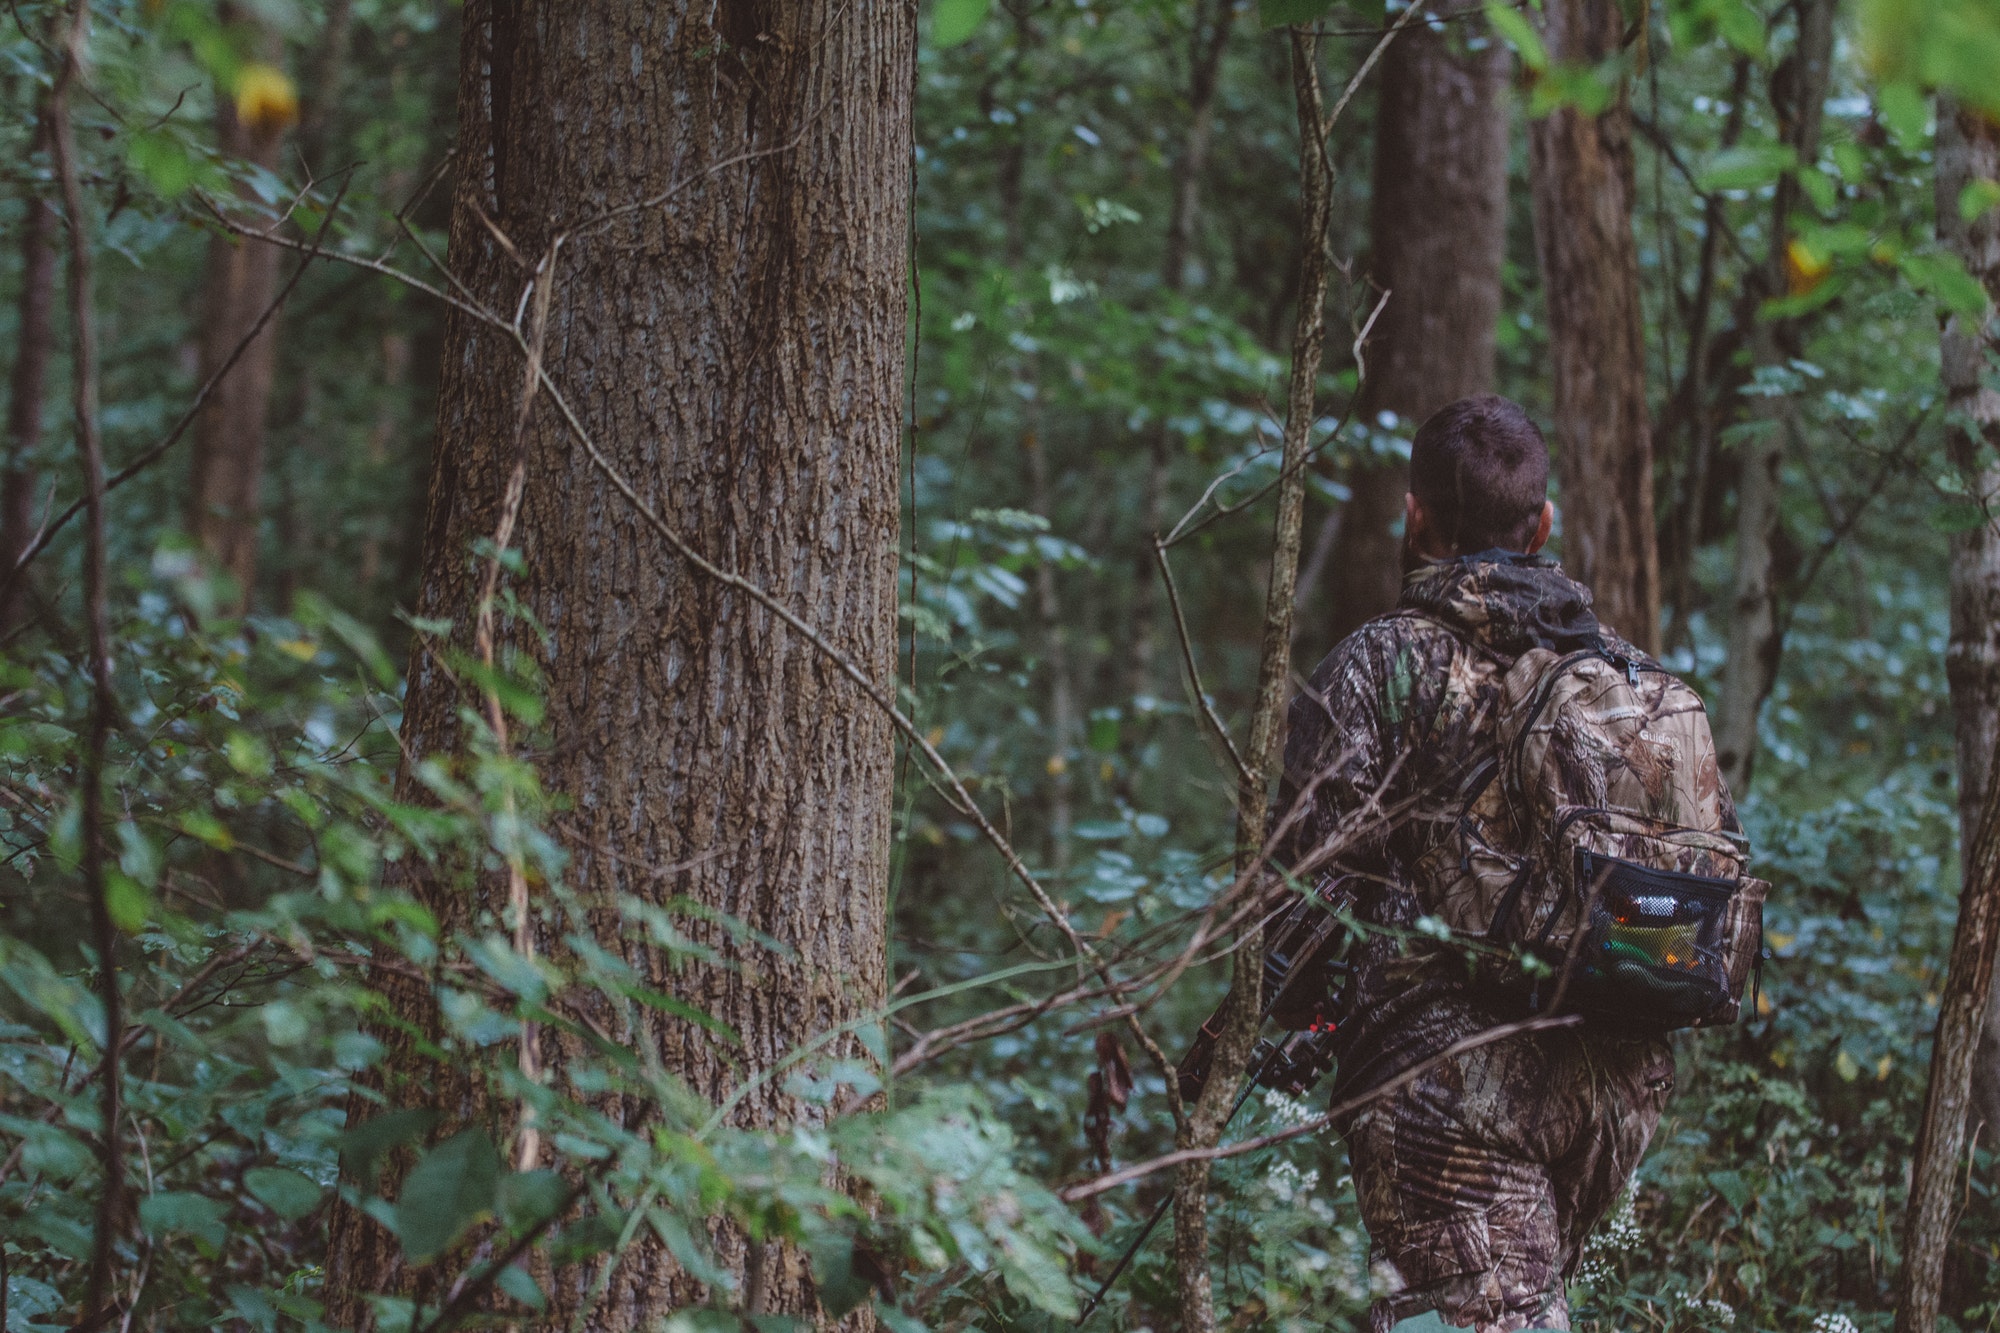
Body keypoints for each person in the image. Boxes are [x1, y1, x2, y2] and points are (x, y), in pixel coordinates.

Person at [1276, 395, 1731, 1332]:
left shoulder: (1379, 666)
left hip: (1457, 1091)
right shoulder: (1621, 674)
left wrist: (1303, 1017)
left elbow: (1292, 897)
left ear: (1414, 517)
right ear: (1544, 525)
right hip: (1620, 1082)